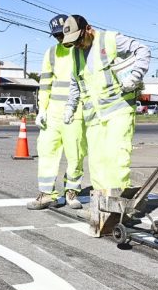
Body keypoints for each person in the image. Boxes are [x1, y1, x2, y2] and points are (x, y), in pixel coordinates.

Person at [62, 15, 151, 193]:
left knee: (116, 157)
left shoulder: (109, 40)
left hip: (118, 110)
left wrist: (134, 77)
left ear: (88, 29)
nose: (77, 45)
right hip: (94, 117)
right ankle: (102, 206)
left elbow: (143, 50)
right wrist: (70, 107)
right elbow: (75, 82)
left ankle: (119, 205)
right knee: (97, 162)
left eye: (78, 40)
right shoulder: (75, 52)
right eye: (72, 43)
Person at [27, 14, 87, 210]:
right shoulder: (51, 53)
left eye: (62, 35)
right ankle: (47, 194)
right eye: (57, 36)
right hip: (52, 113)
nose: (61, 39)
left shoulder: (82, 51)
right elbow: (45, 85)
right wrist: (41, 110)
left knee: (75, 153)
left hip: (75, 113)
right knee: (46, 152)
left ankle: (71, 191)